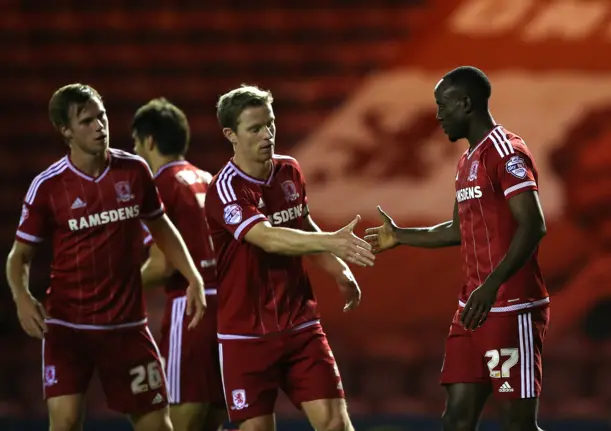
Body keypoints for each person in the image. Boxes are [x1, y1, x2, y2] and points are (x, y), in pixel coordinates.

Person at [5, 84, 206, 431]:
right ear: (65, 131)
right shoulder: (49, 186)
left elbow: (162, 228)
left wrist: (194, 276)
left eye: (102, 116)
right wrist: (22, 297)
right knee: (65, 423)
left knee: (158, 426)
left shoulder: (134, 170)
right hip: (69, 329)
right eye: (87, 121)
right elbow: (19, 256)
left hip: (127, 328)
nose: (100, 126)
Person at [365, 66, 549, 431]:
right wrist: (402, 235)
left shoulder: (506, 153)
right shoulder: (466, 161)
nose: (438, 115)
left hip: (511, 306)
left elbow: (534, 224)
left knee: (517, 425)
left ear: (465, 103)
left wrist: (492, 285)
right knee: (457, 420)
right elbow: (456, 230)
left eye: (442, 105)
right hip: (472, 309)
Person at [204, 85, 374, 431]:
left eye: (270, 124)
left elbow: (302, 223)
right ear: (230, 135)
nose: (267, 135)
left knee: (336, 425)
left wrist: (337, 268)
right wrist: (332, 241)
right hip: (246, 336)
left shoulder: (289, 171)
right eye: (255, 129)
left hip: (300, 326)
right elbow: (266, 238)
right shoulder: (226, 190)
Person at [132, 97, 227, 431]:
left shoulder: (159, 186)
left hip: (190, 310)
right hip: (229, 308)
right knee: (210, 422)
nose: (135, 150)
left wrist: (113, 291)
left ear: (149, 141)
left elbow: (161, 267)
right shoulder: (209, 178)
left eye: (135, 142)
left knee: (178, 420)